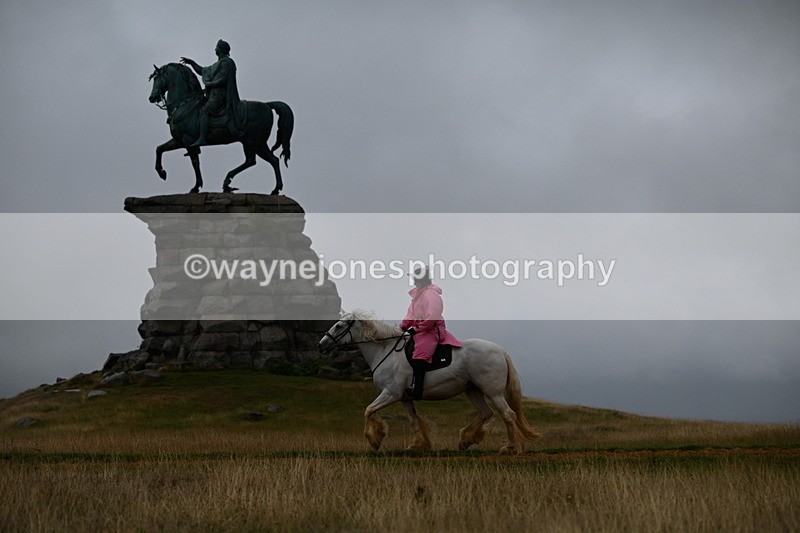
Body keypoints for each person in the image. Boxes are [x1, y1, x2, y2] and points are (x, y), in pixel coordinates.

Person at [399, 266, 461, 400]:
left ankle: (418, 391)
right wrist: (402, 326)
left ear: (421, 280)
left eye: (415, 279)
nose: (413, 281)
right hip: (420, 330)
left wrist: (415, 329)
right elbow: (411, 314)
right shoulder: (417, 295)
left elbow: (432, 317)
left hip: (431, 330)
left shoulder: (430, 295)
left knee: (420, 355)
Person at [180, 39, 244, 147]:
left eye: (217, 47)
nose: (215, 49)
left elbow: (224, 79)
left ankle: (202, 138)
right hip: (213, 95)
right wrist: (191, 63)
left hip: (221, 96)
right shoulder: (216, 64)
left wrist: (210, 84)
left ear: (221, 49)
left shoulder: (227, 62)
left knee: (204, 110)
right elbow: (202, 71)